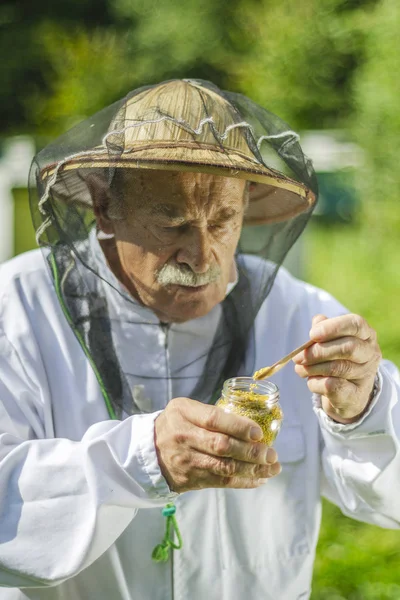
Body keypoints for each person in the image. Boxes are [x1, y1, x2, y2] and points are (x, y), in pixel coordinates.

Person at [0, 78, 398, 600]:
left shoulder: (301, 315)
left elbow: (388, 499)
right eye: (174, 224)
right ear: (104, 206)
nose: (204, 256)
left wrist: (362, 408)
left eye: (224, 220)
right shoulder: (18, 311)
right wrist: (143, 458)